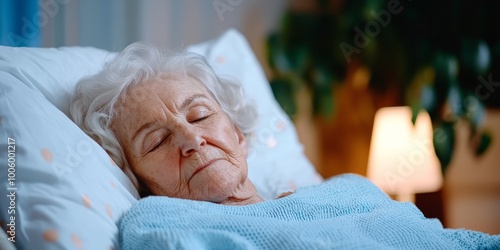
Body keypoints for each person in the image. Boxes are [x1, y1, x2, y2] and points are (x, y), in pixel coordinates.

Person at [69, 42, 263, 205]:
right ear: (139, 183)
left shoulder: (293, 198)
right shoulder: (156, 231)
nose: (192, 139)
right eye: (158, 141)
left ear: (237, 134)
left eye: (200, 116)